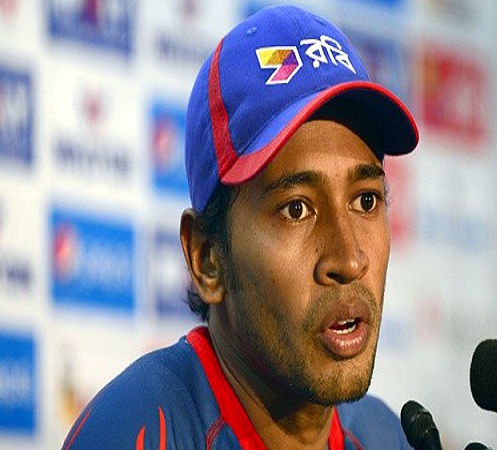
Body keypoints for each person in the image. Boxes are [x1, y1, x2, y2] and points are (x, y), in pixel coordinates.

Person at [62, 4, 418, 449]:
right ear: (207, 259)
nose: (348, 260)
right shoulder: (137, 434)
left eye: (365, 201)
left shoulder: (388, 437)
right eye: (296, 209)